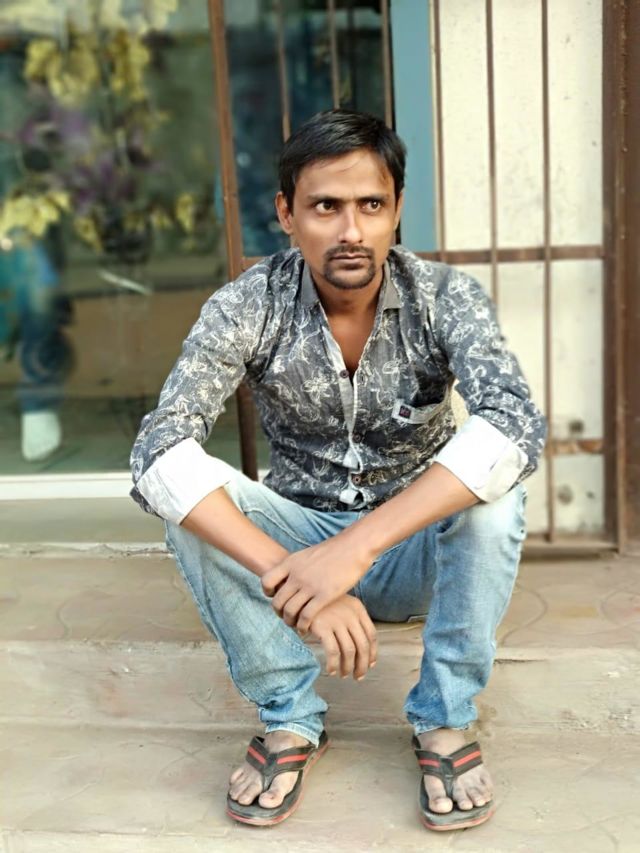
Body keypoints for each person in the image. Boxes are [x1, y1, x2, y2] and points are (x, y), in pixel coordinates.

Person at [130, 109, 546, 832]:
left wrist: (355, 550)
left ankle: (445, 717)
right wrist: (299, 576)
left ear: (396, 210)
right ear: (286, 214)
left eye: (371, 205)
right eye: (326, 206)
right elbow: (158, 450)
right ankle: (289, 715)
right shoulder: (248, 304)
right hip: (296, 549)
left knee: (496, 497)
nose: (351, 230)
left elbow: (514, 424)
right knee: (188, 497)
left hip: (413, 550)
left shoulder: (444, 297)